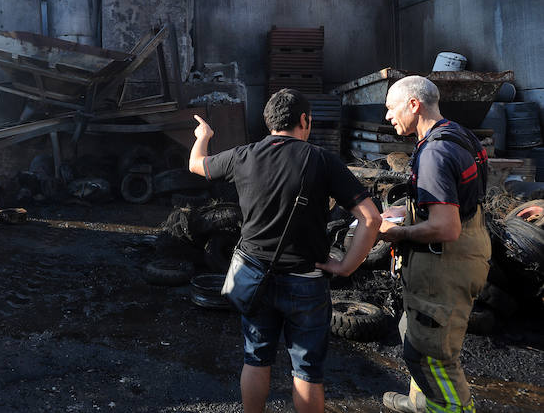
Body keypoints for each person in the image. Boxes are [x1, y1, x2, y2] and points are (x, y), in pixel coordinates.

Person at [188, 88, 381, 413]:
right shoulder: (322, 160)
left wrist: (204, 135)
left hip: (254, 278)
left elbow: (196, 164)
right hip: (306, 281)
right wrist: (347, 265)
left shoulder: (242, 156)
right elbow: (371, 218)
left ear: (269, 122)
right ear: (305, 121)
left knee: (255, 360)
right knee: (306, 372)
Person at [378, 76, 490, 413]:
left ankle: (449, 407)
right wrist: (408, 211)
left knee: (432, 357)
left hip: (446, 263)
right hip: (468, 247)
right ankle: (421, 402)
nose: (387, 116)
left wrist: (397, 233)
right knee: (411, 330)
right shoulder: (458, 134)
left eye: (390, 108)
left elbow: (445, 227)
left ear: (414, 104)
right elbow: (456, 202)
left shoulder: (434, 153)